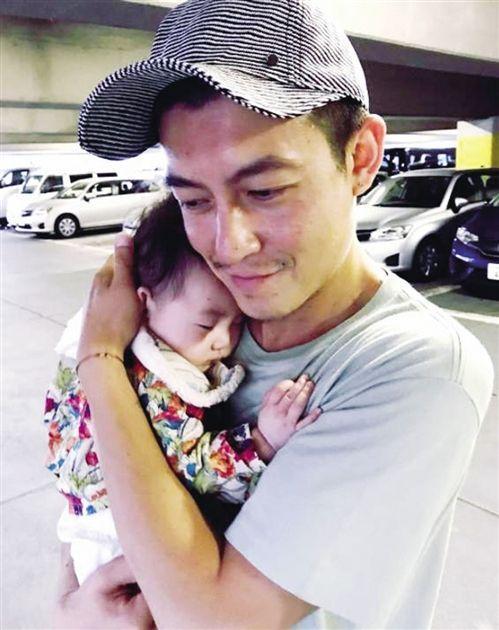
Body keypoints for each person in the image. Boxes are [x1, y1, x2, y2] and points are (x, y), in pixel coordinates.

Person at [55, 0, 494, 628]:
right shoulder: (187, 310)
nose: (227, 246)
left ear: (360, 157)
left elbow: (215, 622)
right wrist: (70, 605)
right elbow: (85, 486)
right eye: (193, 200)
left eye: (264, 191)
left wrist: (100, 360)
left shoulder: (417, 368)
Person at [44, 196, 319, 585]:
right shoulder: (153, 380)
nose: (223, 341)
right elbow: (194, 465)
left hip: (89, 529)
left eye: (236, 323)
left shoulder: (96, 346)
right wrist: (261, 441)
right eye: (206, 325)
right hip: (117, 541)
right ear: (145, 302)